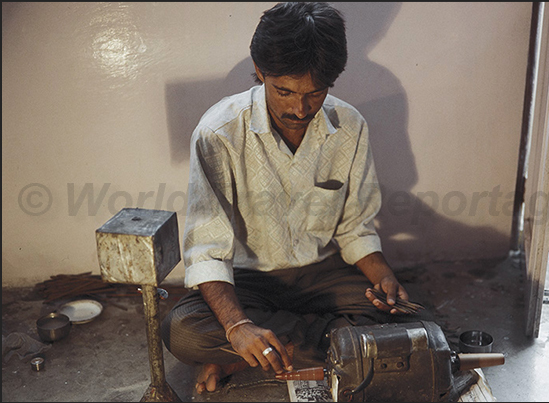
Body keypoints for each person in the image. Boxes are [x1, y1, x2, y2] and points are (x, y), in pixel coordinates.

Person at [161, 2, 415, 394]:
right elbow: (208, 250)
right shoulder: (219, 132)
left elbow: (354, 229)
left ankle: (253, 353)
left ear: (332, 82)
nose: (299, 109)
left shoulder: (349, 127)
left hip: (322, 275)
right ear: (260, 72)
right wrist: (237, 324)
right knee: (182, 332)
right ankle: (327, 345)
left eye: (315, 93)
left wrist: (384, 278)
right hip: (247, 281)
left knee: (405, 320)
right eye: (284, 91)